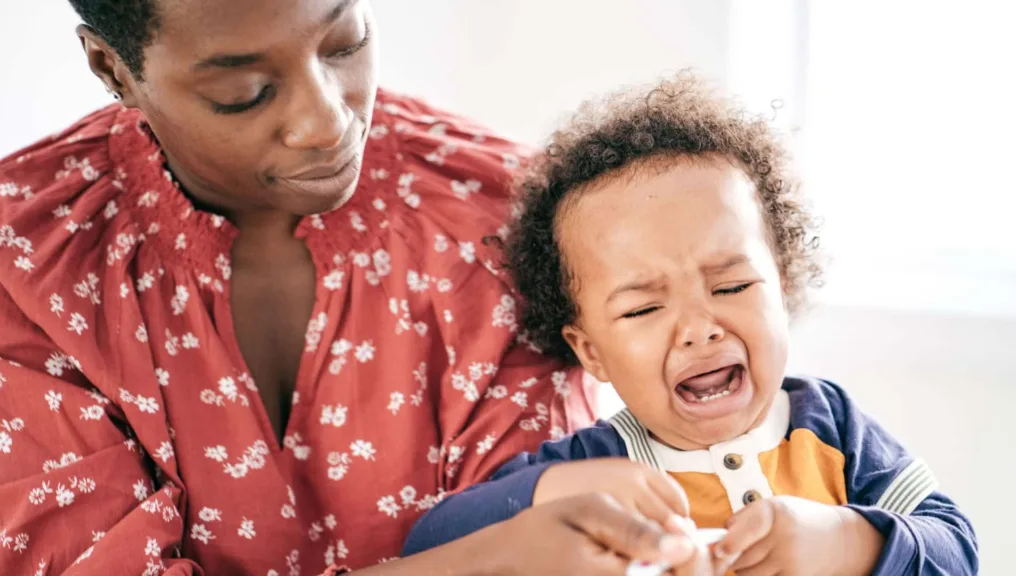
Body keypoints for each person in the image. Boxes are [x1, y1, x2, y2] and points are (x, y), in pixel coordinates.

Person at [0, 1, 716, 575]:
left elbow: (540, 515)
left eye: (344, 43)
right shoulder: (20, 259)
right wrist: (477, 563)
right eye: (243, 92)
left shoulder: (499, 215)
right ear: (112, 68)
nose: (325, 121)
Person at [402, 74, 979, 575]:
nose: (699, 328)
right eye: (643, 309)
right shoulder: (595, 467)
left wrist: (847, 542)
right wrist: (552, 492)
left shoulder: (832, 428)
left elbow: (956, 549)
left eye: (730, 287)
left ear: (780, 284)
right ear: (591, 351)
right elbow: (430, 542)